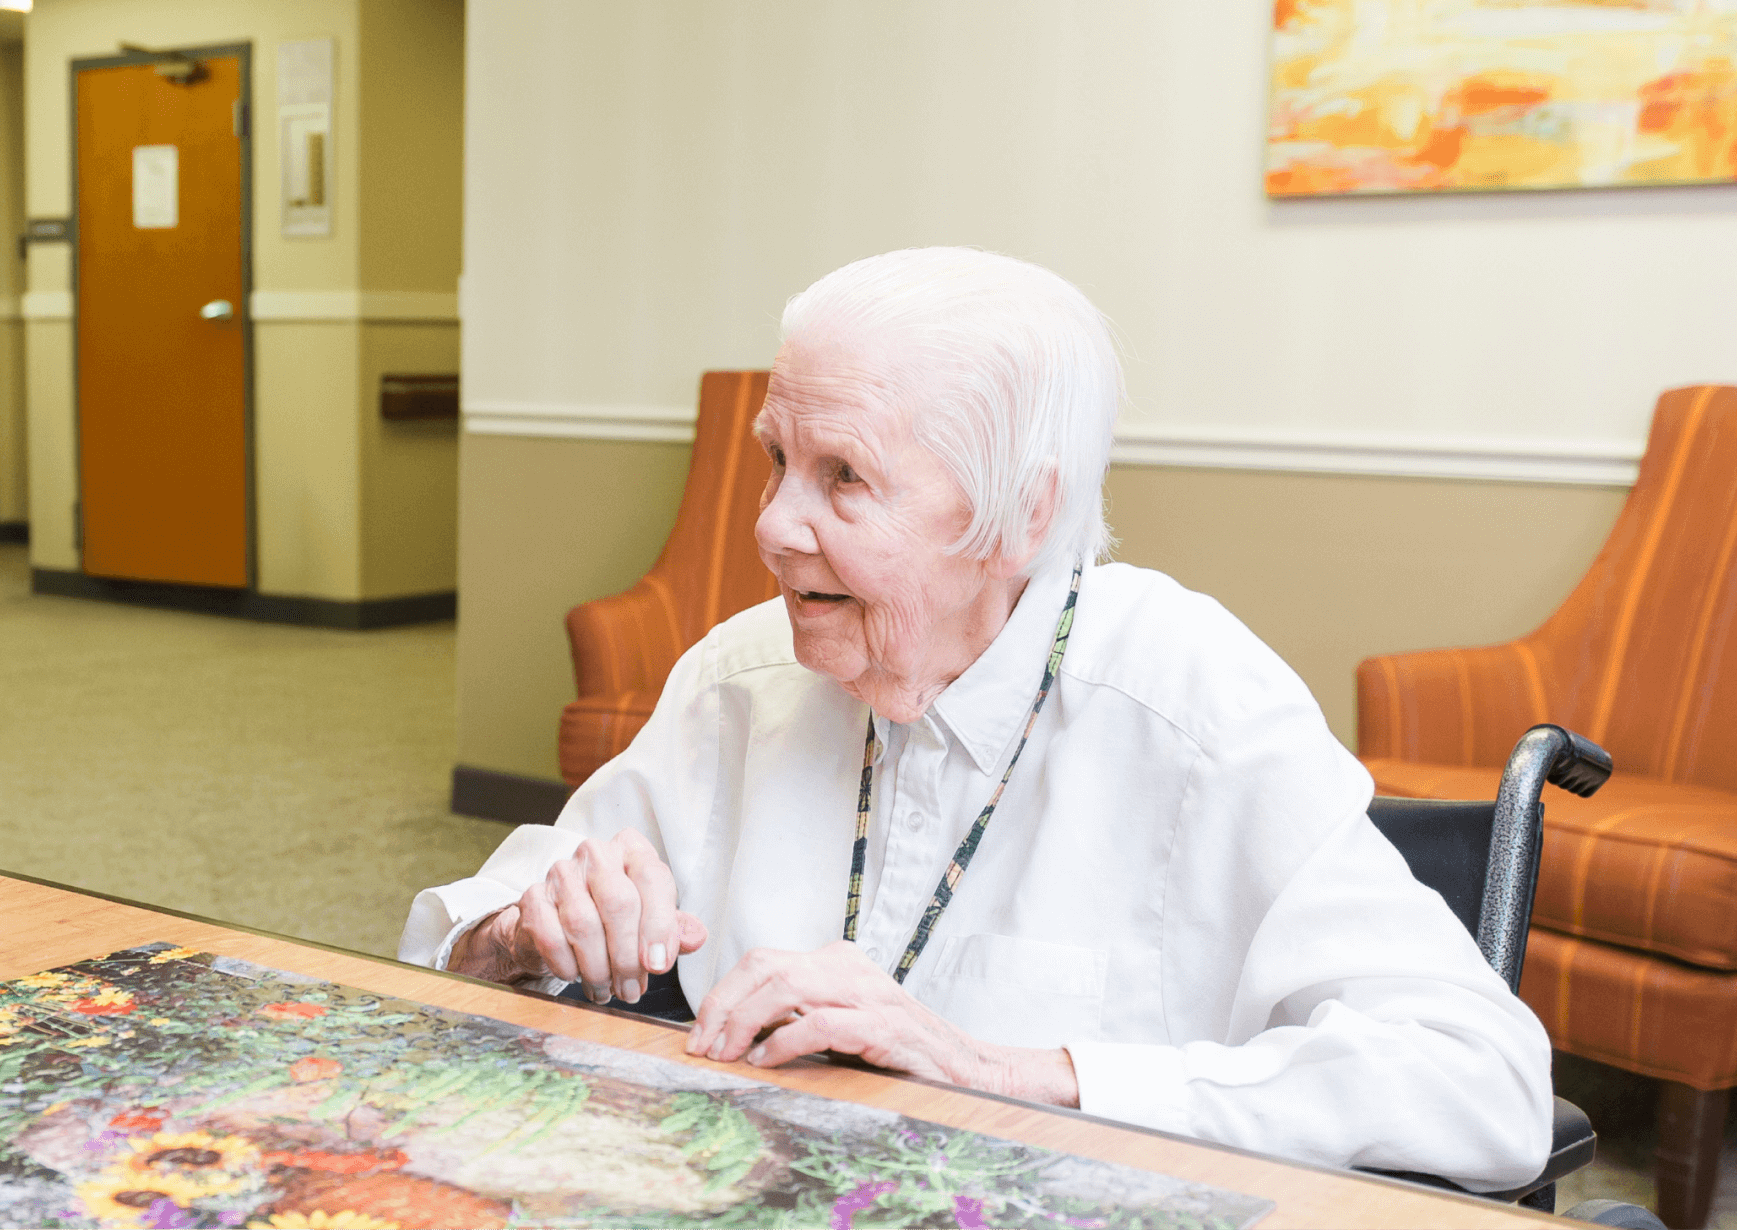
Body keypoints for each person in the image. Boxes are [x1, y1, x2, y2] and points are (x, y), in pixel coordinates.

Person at [401, 247, 1554, 1192]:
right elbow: (451, 947)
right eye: (775, 461)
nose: (771, 526)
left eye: (843, 476)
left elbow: (1483, 1082)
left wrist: (1005, 1071)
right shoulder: (741, 673)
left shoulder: (1193, 703)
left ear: (1020, 511)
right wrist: (520, 932)